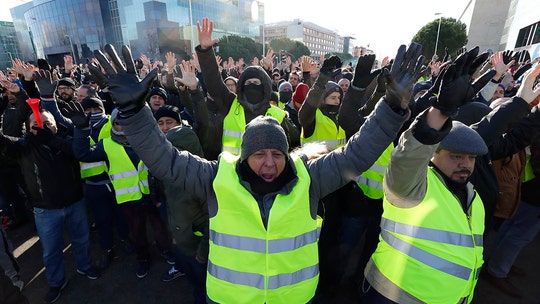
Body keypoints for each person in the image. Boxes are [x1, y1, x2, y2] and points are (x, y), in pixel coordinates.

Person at [88, 40, 424, 303]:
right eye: (259, 154)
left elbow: (358, 153)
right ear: (245, 155)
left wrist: (393, 107)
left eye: (277, 154)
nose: (269, 163)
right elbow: (165, 160)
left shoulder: (309, 179)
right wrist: (132, 111)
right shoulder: (215, 179)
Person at [362, 47, 540, 304]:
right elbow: (411, 153)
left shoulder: (473, 198)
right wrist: (441, 111)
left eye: (471, 158)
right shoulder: (413, 184)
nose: (465, 165)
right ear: (433, 152)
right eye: (455, 156)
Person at [0, 108, 99, 304]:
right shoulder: (24, 147)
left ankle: (84, 266)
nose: (42, 128)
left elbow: (78, 151)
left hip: (75, 203)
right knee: (51, 251)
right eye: (36, 125)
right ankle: (56, 282)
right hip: (45, 210)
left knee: (81, 239)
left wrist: (51, 139)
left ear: (55, 124)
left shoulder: (65, 139)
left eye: (47, 123)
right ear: (28, 129)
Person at [70, 106, 175, 279]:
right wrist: (81, 131)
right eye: (119, 123)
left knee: (160, 227)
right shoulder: (106, 145)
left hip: (152, 195)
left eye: (128, 122)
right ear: (113, 124)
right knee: (137, 233)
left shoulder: (146, 138)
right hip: (129, 200)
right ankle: (143, 260)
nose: (124, 126)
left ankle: (166, 251)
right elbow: (83, 154)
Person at [194, 17, 300, 155]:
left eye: (256, 83)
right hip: (233, 174)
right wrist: (206, 51)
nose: (252, 86)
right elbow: (213, 82)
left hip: (265, 174)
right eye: (248, 83)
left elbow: (294, 148)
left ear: (265, 88)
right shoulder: (231, 103)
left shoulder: (278, 115)